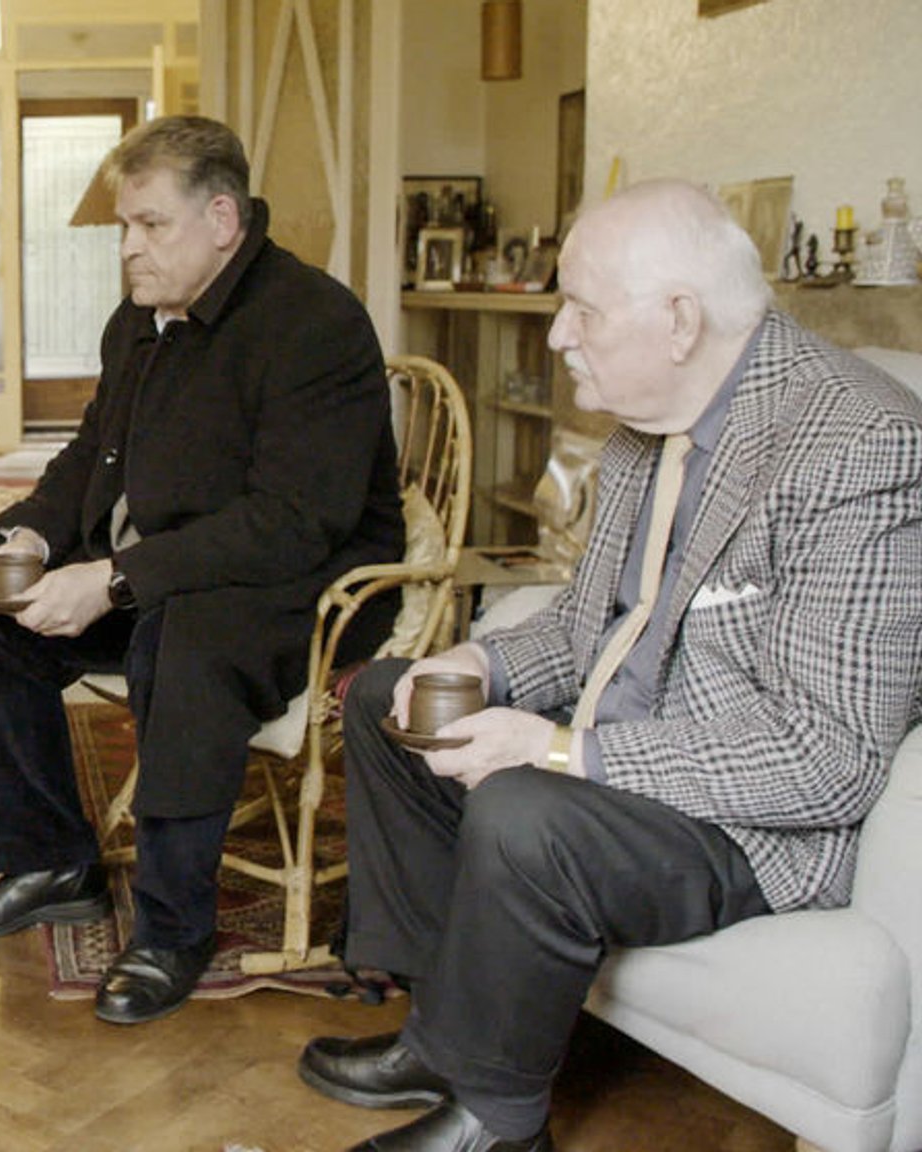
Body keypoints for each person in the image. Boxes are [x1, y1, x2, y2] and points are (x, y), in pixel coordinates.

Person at [298, 179, 922, 1152]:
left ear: (677, 320)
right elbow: (589, 630)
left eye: (581, 309)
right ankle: (441, 1034)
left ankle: (498, 1124)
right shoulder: (643, 433)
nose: (556, 335)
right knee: (392, 698)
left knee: (521, 807)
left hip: (736, 820)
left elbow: (824, 756)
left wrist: (556, 752)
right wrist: (472, 660)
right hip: (609, 757)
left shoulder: (853, 443)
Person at [0, 115, 404, 1025]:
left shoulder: (313, 321)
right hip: (174, 563)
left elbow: (292, 522)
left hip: (307, 581)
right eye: (125, 226)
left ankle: (171, 929)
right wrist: (34, 539)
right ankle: (53, 864)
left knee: (187, 637)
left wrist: (115, 579)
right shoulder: (139, 319)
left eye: (149, 225)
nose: (128, 248)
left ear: (222, 218)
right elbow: (93, 453)